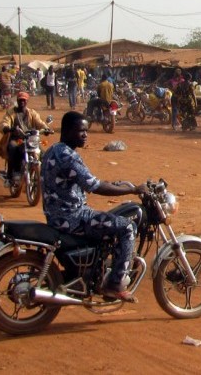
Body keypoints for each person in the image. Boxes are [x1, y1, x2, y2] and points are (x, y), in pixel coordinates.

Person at [41, 111, 145, 301]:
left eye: (86, 131)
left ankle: (97, 271)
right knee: (127, 227)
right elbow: (94, 186)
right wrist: (132, 190)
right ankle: (114, 285)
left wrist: (119, 185)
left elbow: (87, 180)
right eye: (81, 131)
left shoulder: (54, 150)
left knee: (108, 222)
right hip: (72, 218)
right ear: (68, 131)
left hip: (59, 215)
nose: (85, 135)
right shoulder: (68, 157)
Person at [0, 91, 53, 185]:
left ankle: (47, 176)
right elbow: (4, 122)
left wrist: (46, 129)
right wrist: (8, 128)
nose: (22, 102)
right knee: (12, 148)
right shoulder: (11, 112)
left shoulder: (31, 113)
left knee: (43, 154)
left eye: (24, 100)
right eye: (20, 100)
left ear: (27, 101)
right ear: (17, 101)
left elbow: (39, 122)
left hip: (30, 139)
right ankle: (11, 174)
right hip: (16, 139)